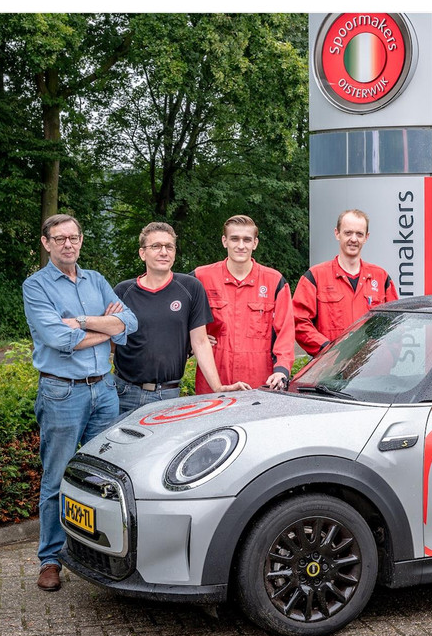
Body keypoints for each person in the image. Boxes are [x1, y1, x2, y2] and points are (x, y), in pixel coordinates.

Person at [22, 214, 138, 591]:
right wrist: (105, 327)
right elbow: (59, 339)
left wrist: (82, 321)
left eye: (73, 237)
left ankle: (96, 552)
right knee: (57, 477)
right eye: (60, 239)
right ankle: (50, 559)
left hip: (104, 390)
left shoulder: (96, 280)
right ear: (46, 243)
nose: (68, 244)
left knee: (104, 477)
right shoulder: (36, 286)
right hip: (62, 392)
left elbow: (130, 323)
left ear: (81, 240)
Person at [113, 222, 250, 415]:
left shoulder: (190, 288)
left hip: (168, 395)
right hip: (123, 392)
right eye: (156, 246)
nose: (164, 252)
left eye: (169, 247)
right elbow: (110, 341)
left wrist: (218, 387)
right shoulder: (123, 291)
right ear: (142, 253)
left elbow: (200, 342)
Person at [192, 215, 295, 392]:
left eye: (247, 240)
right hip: (213, 384)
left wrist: (282, 369)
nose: (241, 245)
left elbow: (285, 332)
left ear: (255, 243)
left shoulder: (274, 281)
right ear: (224, 241)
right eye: (234, 239)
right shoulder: (201, 278)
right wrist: (191, 342)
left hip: (259, 383)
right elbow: (176, 316)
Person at [293, 209, 399, 357]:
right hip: (330, 367)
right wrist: (328, 350)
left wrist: (387, 357)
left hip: (371, 365)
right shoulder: (315, 276)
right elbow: (299, 322)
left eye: (359, 234)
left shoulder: (381, 278)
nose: (353, 239)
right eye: (348, 233)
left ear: (366, 237)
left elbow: (395, 324)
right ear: (337, 233)